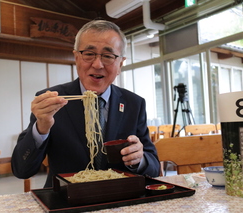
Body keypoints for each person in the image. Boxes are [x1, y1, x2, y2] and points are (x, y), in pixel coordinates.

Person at [11, 20, 160, 187]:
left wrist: (139, 159)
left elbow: (153, 168)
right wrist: (41, 128)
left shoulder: (134, 103)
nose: (97, 64)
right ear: (76, 58)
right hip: (66, 200)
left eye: (108, 56)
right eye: (89, 54)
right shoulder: (52, 101)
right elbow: (21, 170)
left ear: (120, 64)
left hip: (119, 198)